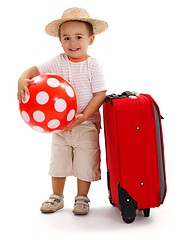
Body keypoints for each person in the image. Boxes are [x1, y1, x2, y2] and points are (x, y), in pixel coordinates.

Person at [17, 7, 108, 215]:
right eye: (66, 38)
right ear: (60, 41)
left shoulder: (93, 65)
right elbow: (33, 71)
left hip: (86, 124)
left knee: (86, 161)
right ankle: (56, 196)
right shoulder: (58, 61)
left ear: (91, 40)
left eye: (79, 37)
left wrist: (83, 116)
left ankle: (82, 198)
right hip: (59, 126)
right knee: (59, 160)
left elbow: (100, 94)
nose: (72, 43)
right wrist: (21, 79)